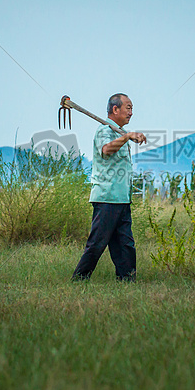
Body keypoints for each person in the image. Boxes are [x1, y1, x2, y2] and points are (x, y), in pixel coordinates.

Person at [72, 93, 146, 282]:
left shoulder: (117, 132)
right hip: (106, 197)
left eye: (132, 108)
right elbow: (106, 150)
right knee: (97, 243)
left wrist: (126, 135)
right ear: (115, 109)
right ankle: (79, 279)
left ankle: (127, 280)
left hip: (121, 198)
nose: (131, 112)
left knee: (125, 243)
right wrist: (128, 136)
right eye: (128, 108)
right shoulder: (105, 130)